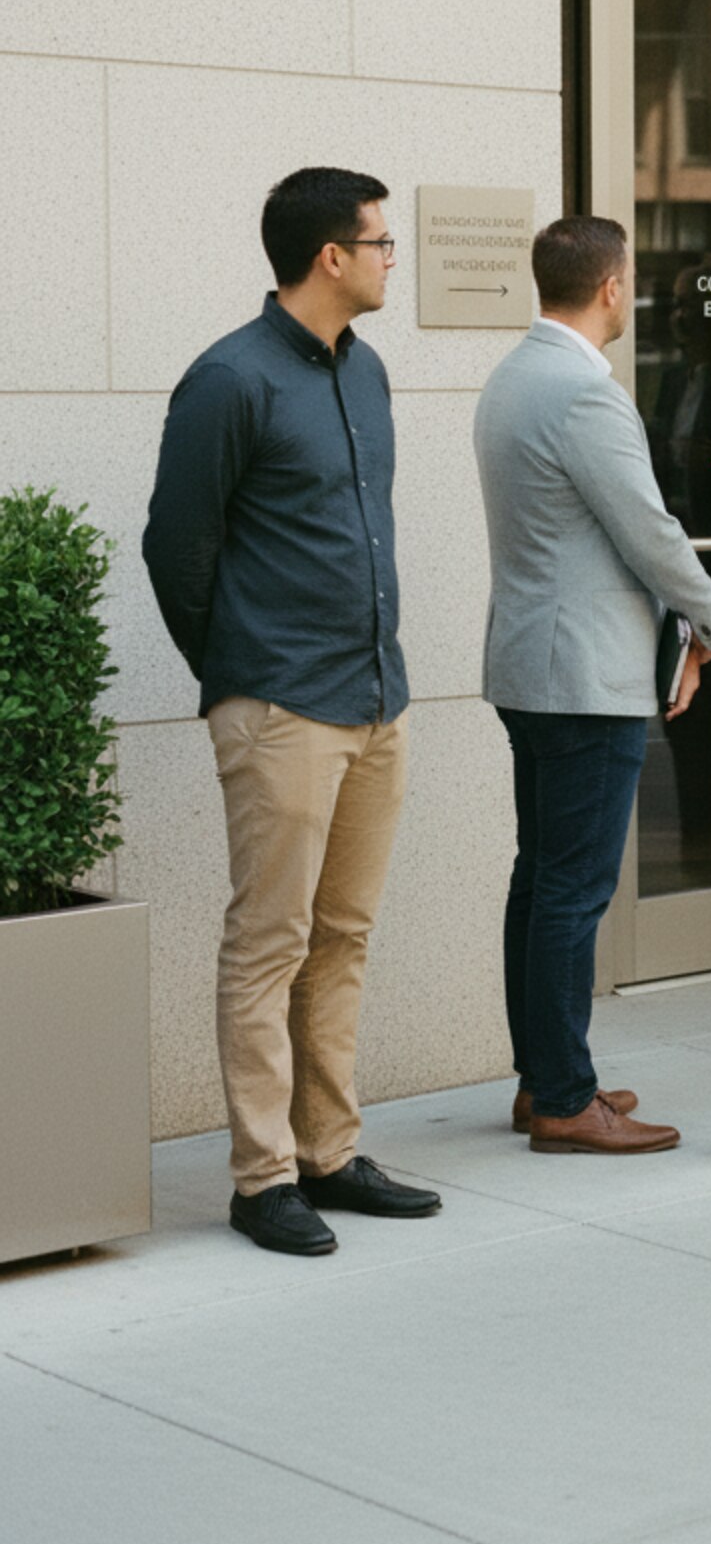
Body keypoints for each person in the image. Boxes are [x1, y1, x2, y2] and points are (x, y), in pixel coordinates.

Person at [142, 166, 439, 1257]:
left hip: (375, 697)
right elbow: (176, 547)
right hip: (279, 706)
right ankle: (262, 1175)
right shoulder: (228, 379)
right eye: (380, 242)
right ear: (331, 256)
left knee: (344, 936)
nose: (391, 257)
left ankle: (329, 1149)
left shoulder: (368, 375)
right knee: (269, 941)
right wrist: (237, 677)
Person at [473, 216, 711, 1155]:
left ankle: (544, 1079)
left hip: (530, 666)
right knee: (571, 892)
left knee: (539, 883)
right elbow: (651, 529)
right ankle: (563, 1099)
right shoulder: (582, 391)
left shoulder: (512, 376)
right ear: (612, 287)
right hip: (583, 676)